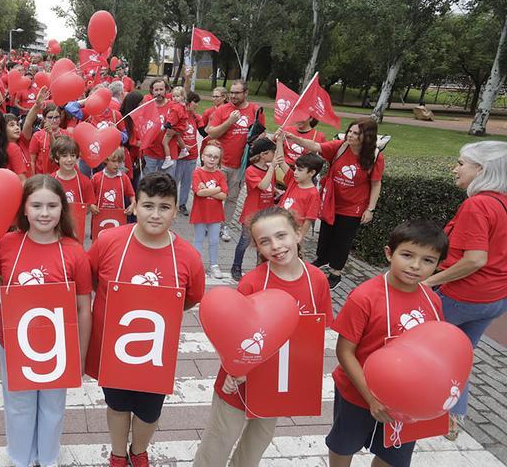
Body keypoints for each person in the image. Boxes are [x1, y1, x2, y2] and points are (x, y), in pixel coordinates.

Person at [194, 207, 332, 467]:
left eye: (281, 236)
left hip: (277, 384)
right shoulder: (252, 283)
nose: (276, 246)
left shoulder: (317, 281)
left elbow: (317, 333)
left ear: (298, 234)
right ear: (257, 247)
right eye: (265, 241)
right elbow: (231, 334)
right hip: (237, 384)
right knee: (218, 442)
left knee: (256, 445)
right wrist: (236, 372)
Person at [86, 173, 206, 467]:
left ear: (176, 210)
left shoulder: (188, 257)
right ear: (134, 206)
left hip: (155, 352)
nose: (155, 214)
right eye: (147, 205)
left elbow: (190, 299)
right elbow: (92, 281)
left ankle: (138, 450)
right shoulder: (109, 242)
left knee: (149, 411)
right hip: (113, 346)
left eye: (164, 207)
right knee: (116, 405)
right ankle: (117, 452)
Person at [0, 174, 93, 467]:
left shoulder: (74, 251)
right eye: (37, 205)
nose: (44, 213)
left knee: (53, 405)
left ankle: (49, 456)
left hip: (58, 345)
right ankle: (20, 457)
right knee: (19, 404)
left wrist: (80, 354)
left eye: (52, 206)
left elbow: (83, 307)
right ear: (24, 209)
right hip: (15, 342)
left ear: (62, 209)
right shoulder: (7, 243)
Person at [327, 220, 448, 467]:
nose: (415, 266)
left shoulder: (432, 301)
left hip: (406, 401)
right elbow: (345, 351)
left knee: (394, 453)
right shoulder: (365, 297)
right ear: (389, 253)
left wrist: (443, 404)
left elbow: (436, 352)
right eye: (407, 255)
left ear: (437, 265)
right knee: (344, 444)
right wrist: (371, 397)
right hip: (357, 394)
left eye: (428, 260)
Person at [423, 141, 507, 440]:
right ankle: (453, 413)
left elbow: (475, 259)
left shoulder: (478, 204)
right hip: (494, 299)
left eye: (461, 163)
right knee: (461, 354)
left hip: (463, 296)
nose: (455, 168)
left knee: (426, 348)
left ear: (481, 170)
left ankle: (424, 406)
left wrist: (429, 282)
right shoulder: (503, 202)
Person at [286, 118, 384, 289]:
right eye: (350, 131)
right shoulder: (340, 146)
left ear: (366, 137)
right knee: (326, 233)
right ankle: (322, 258)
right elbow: (316, 146)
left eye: (356, 133)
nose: (350, 136)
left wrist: (371, 209)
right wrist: (294, 138)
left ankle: (336, 272)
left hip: (353, 206)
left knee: (342, 240)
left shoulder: (374, 157)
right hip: (331, 200)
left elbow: (376, 183)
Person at [204, 80, 265, 242]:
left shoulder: (255, 110)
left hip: (241, 164)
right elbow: (213, 133)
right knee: (213, 195)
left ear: (245, 93)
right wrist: (230, 122)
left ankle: (224, 226)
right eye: (231, 92)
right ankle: (210, 224)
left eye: (237, 93)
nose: (233, 96)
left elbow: (261, 136)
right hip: (220, 162)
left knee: (232, 198)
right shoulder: (223, 110)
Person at [230, 137, 281, 282]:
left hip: (267, 214)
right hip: (252, 214)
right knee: (244, 242)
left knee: (263, 244)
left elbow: (269, 186)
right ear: (264, 154)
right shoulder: (251, 170)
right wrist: (272, 168)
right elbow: (262, 186)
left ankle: (260, 268)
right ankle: (236, 266)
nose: (274, 155)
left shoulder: (269, 169)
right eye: (272, 152)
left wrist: (276, 191)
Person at [190, 144, 228, 279]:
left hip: (215, 213)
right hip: (200, 212)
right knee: (199, 239)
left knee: (214, 240)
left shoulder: (220, 175)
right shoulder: (197, 173)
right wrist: (216, 189)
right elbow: (199, 193)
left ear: (219, 160)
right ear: (203, 156)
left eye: (216, 157)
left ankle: (214, 264)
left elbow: (224, 196)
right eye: (209, 156)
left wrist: (207, 190)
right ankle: (196, 265)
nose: (212, 159)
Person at [26, 89, 69, 176]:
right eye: (50, 117)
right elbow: (32, 161)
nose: (54, 120)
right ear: (44, 119)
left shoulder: (67, 134)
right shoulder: (37, 136)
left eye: (57, 117)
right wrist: (34, 179)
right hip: (42, 178)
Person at [140, 79, 174, 178]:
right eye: (156, 90)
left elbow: (182, 125)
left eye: (161, 89)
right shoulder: (146, 106)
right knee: (148, 185)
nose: (159, 92)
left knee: (165, 187)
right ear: (152, 91)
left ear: (166, 90)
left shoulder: (172, 106)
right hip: (149, 153)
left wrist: (175, 132)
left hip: (167, 154)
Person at [91, 147, 136, 214]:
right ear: (105, 160)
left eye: (119, 162)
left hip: (118, 217)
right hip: (99, 216)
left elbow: (132, 195)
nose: (117, 165)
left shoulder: (124, 178)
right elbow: (88, 196)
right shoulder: (96, 177)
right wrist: (91, 205)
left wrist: (132, 205)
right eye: (114, 161)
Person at [161, 87, 192, 170]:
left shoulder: (176, 108)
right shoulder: (181, 105)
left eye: (177, 96)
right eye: (173, 96)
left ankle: (168, 159)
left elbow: (173, 119)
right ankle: (184, 149)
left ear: (182, 97)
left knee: (164, 142)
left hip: (174, 127)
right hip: (180, 127)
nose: (175, 98)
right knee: (178, 137)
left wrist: (165, 125)